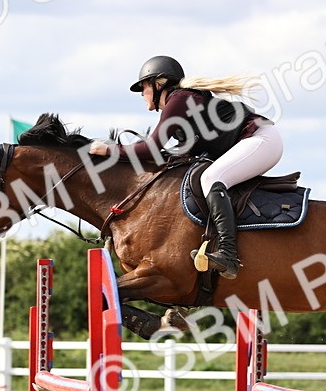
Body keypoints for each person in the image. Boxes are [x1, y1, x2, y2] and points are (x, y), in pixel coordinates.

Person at [88, 55, 283, 279]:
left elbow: (151, 149)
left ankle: (228, 254)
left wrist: (109, 151)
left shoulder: (179, 100)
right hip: (252, 141)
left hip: (261, 140)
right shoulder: (181, 106)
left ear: (158, 84)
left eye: (143, 88)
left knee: (211, 178)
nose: (142, 95)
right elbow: (170, 155)